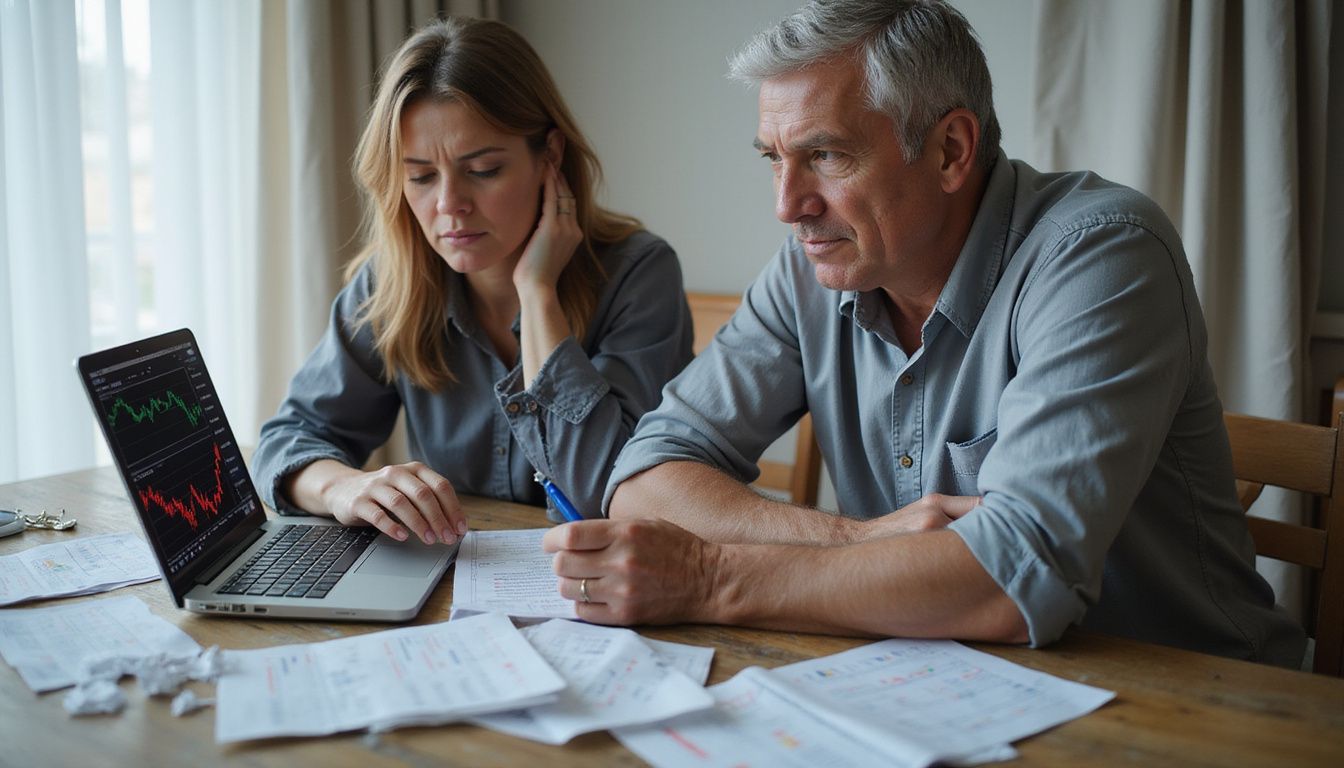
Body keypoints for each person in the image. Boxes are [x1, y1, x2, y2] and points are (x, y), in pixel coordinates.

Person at [542, 0, 1306, 667]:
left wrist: (710, 578)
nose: (787, 204)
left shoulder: (1103, 253)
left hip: (1197, 703)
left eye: (826, 155)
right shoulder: (812, 267)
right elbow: (645, 477)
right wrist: (858, 541)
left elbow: (1011, 580)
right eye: (775, 159)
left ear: (950, 150)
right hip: (944, 687)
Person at [252, 17, 693, 546]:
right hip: (452, 590)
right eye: (419, 176)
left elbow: (606, 493)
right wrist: (342, 488)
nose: (448, 205)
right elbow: (285, 442)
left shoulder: (639, 274)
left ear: (549, 156)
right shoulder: (393, 284)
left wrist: (538, 293)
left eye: (482, 169)